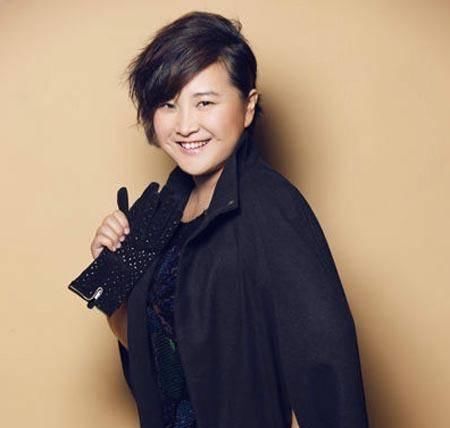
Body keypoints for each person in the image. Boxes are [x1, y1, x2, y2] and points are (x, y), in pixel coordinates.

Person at [72, 10, 370, 428]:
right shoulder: (159, 211)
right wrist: (115, 274)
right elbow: (152, 353)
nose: (185, 125)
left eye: (205, 103)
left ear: (248, 107)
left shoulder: (271, 208)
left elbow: (326, 368)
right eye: (168, 104)